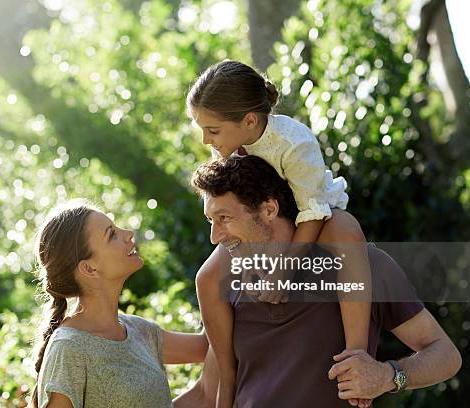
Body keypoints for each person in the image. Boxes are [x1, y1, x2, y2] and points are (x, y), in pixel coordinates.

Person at [174, 155, 461, 407]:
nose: (215, 237)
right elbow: (208, 394)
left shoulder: (361, 266)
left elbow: (445, 354)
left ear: (269, 209)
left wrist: (388, 376)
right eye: (211, 221)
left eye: (224, 217)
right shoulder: (224, 284)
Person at [187, 59, 372, 406]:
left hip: (310, 210)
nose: (205, 139)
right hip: (267, 214)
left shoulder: (293, 143)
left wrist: (283, 270)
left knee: (348, 232)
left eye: (212, 130)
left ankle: (356, 356)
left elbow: (313, 212)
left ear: (250, 121)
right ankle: (227, 383)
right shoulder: (228, 144)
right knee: (207, 277)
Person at [29, 199, 208, 408]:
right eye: (111, 234)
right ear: (89, 269)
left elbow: (210, 347)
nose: (128, 233)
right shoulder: (68, 348)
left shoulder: (139, 331)